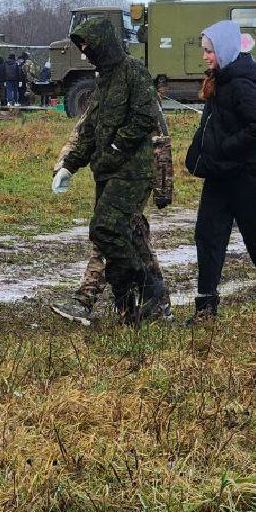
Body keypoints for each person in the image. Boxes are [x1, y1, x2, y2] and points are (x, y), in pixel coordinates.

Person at [52, 16, 166, 326]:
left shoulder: (133, 73)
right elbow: (89, 130)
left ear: (104, 42)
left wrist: (116, 147)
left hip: (132, 171)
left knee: (105, 229)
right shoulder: (103, 80)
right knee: (121, 235)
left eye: (89, 45)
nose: (86, 51)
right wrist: (69, 166)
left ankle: (150, 289)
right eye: (82, 47)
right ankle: (129, 307)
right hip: (106, 172)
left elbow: (144, 118)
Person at [185, 20, 256, 324]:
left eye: (209, 51)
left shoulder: (241, 83)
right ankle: (206, 308)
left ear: (225, 50)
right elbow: (213, 126)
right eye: (204, 51)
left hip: (244, 177)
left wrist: (225, 148)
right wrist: (200, 153)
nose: (205, 56)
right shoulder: (219, 79)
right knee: (207, 237)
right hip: (219, 176)